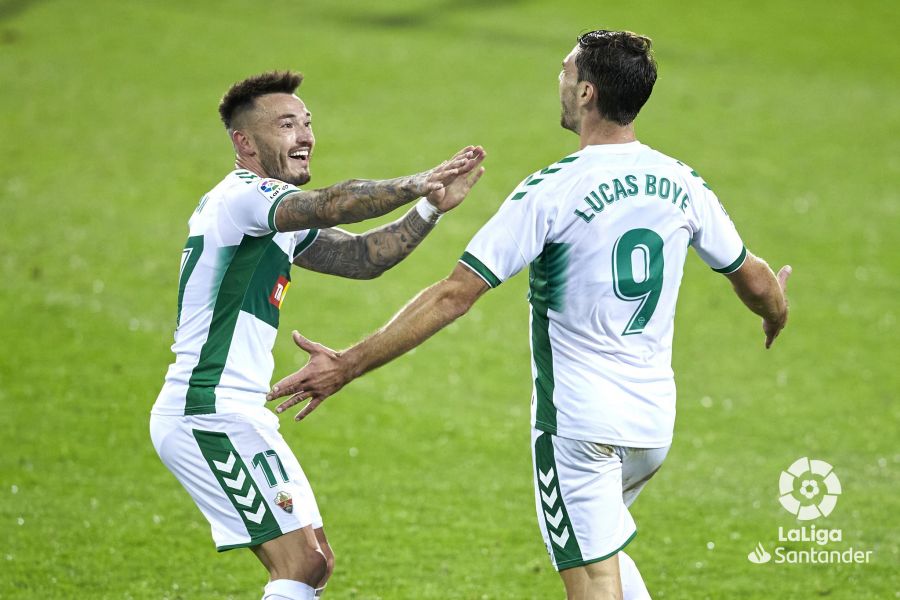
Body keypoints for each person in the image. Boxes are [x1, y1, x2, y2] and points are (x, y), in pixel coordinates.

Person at [267, 31, 791, 600]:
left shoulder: (551, 190)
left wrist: (348, 364)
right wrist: (776, 312)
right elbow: (755, 278)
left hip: (581, 429)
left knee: (592, 582)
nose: (560, 80)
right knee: (604, 554)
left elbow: (453, 295)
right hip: (652, 427)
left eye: (566, 70)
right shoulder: (682, 182)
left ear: (587, 92)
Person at [150, 70, 485, 600]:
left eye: (307, 123)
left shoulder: (269, 215)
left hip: (231, 408)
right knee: (300, 564)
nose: (305, 136)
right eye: (287, 125)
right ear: (244, 142)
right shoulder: (245, 198)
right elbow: (333, 202)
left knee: (315, 563)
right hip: (207, 410)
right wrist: (412, 183)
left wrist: (429, 208)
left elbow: (361, 258)